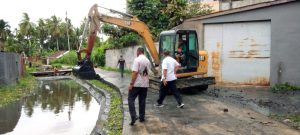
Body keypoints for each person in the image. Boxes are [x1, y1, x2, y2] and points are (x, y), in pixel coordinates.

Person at [128, 47, 151, 126]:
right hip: (145, 84)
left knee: (130, 99)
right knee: (142, 100)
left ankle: (133, 116)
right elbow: (148, 72)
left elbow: (135, 72)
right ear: (143, 52)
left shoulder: (137, 60)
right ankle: (142, 117)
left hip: (137, 84)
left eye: (136, 52)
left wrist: (131, 84)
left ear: (138, 52)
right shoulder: (148, 61)